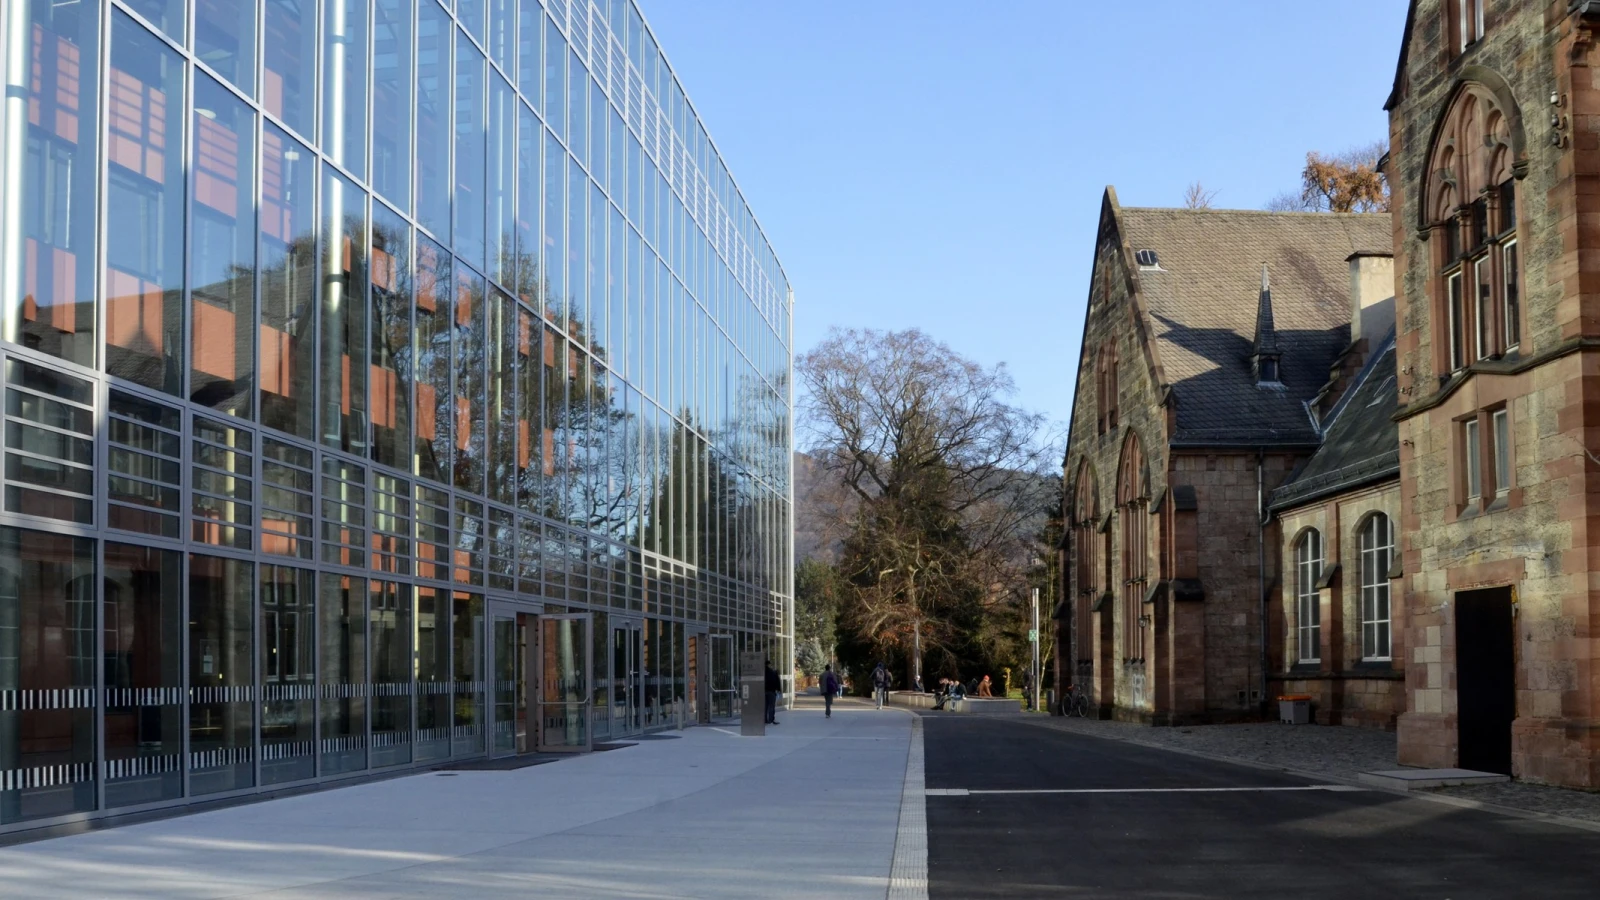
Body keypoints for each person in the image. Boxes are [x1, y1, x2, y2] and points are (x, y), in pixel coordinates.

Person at [764, 659, 781, 725]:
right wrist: (778, 690)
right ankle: (771, 719)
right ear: (769, 665)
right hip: (771, 691)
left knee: (765, 706)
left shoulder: (761, 672)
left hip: (763, 691)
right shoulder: (773, 672)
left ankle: (765, 719)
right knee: (771, 706)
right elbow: (777, 682)